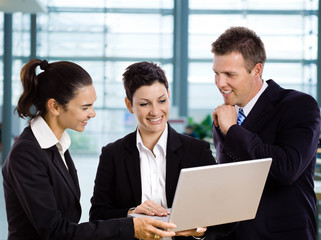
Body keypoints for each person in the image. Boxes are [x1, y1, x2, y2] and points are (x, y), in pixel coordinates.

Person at [2, 59, 177, 240]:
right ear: (54, 106)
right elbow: (55, 232)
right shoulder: (26, 154)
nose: (93, 113)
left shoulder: (57, 145)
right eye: (85, 107)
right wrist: (131, 226)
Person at [90, 61, 236, 239]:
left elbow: (222, 213)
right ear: (129, 105)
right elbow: (97, 215)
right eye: (144, 104)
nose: (155, 111)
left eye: (161, 101)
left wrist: (200, 230)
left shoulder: (197, 151)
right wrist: (131, 214)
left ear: (168, 95)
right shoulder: (113, 154)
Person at [211, 26, 321, 239]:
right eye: (216, 73)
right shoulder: (224, 115)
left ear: (257, 70)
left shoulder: (299, 106)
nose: (220, 83)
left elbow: (285, 169)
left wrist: (233, 130)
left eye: (229, 74)